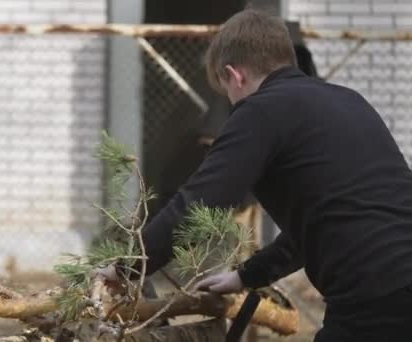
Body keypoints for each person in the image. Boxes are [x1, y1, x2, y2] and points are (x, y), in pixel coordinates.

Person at [96, 9, 412, 342]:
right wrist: (246, 276)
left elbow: (199, 202)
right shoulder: (349, 100)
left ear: (234, 76)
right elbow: (320, 221)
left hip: (376, 292)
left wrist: (126, 268)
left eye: (225, 91)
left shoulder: (260, 109)